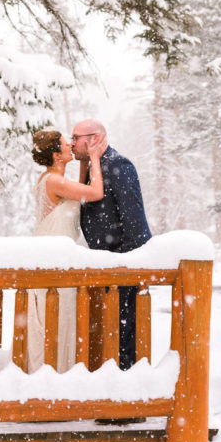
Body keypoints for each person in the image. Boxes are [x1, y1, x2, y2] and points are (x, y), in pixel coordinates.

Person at [72, 119, 152, 370]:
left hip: (123, 269)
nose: (72, 143)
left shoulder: (119, 165)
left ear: (94, 139)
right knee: (109, 338)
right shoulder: (91, 167)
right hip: (104, 269)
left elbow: (135, 223)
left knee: (126, 339)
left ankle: (129, 404)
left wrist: (124, 269)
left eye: (76, 138)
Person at [27, 127, 107, 373]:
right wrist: (93, 157)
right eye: (65, 144)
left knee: (62, 321)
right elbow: (95, 193)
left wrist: (84, 162)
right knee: (57, 322)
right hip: (54, 262)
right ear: (55, 156)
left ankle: (58, 379)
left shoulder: (54, 179)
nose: (70, 146)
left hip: (58, 259)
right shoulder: (54, 181)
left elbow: (79, 187)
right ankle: (54, 382)